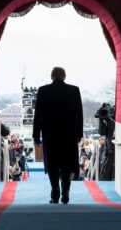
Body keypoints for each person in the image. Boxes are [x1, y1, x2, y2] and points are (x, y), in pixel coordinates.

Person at [33, 67, 83, 204]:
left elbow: (38, 115)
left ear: (51, 76)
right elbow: (79, 114)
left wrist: (36, 135)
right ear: (64, 76)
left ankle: (55, 192)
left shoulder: (43, 91)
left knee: (52, 164)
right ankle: (66, 192)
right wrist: (79, 134)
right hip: (69, 134)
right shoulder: (74, 90)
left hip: (50, 134)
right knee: (67, 164)